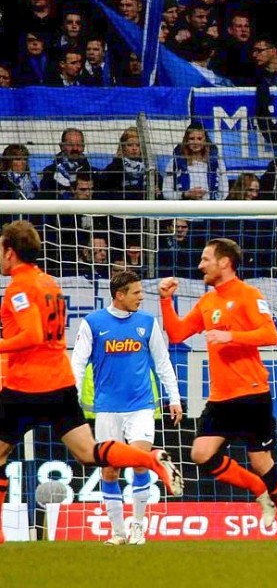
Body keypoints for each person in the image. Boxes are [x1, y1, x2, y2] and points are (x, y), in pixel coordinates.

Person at [0, 220, 182, 545]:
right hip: (61, 384)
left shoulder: (19, 287)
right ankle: (150, 459)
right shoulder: (49, 282)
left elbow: (32, 334)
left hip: (27, 386)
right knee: (89, 454)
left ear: (10, 252)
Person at [158, 237, 277, 547]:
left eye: (206, 259)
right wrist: (165, 301)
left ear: (224, 262)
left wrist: (231, 336)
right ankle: (258, 489)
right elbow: (176, 333)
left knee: (261, 461)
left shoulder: (248, 295)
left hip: (252, 393)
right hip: (221, 397)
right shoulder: (207, 301)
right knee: (201, 454)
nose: (200, 265)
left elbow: (271, 334)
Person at [71, 270, 183, 546]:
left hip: (141, 406)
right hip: (107, 409)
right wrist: (70, 397)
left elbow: (163, 362)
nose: (141, 297)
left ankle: (138, 528)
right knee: (109, 472)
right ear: (119, 295)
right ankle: (118, 532)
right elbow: (77, 362)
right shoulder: (93, 323)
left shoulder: (147, 322)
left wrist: (175, 397)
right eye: (136, 293)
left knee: (138, 462)